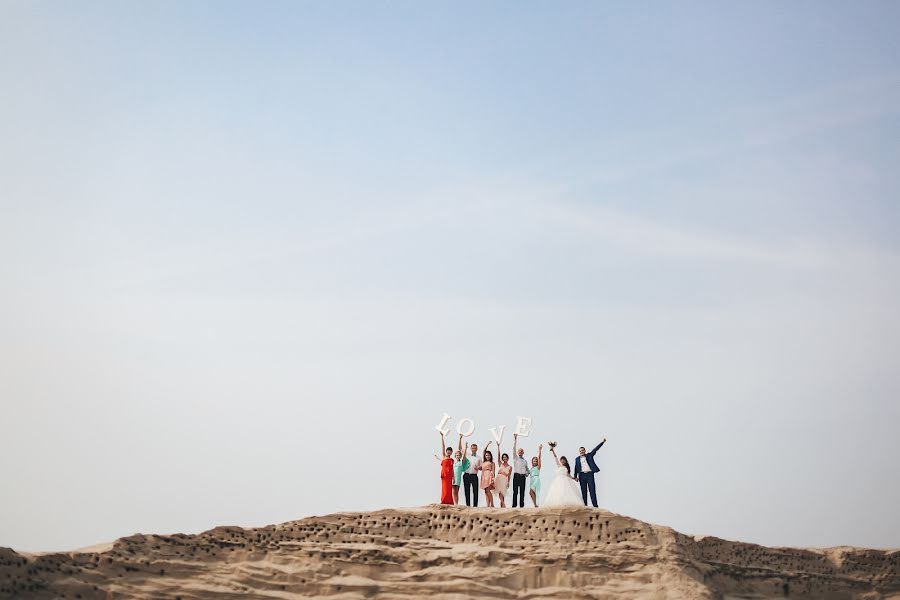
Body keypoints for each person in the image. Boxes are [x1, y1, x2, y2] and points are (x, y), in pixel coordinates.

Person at [573, 438, 607, 507]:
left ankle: (595, 506)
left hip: (590, 475)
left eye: (582, 450)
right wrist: (575, 477)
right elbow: (576, 468)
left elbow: (596, 449)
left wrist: (602, 442)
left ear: (585, 451)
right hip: (581, 476)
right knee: (584, 492)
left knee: (592, 490)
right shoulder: (577, 459)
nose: (581, 452)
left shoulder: (589, 455)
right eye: (580, 451)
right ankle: (585, 506)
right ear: (579, 452)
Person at [434, 432, 454, 505]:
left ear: (451, 452)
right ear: (446, 451)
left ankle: (449, 501)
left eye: (450, 451)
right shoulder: (444, 457)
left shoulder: (452, 460)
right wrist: (442, 437)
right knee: (444, 488)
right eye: (448, 450)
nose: (449, 452)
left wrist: (453, 477)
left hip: (449, 475)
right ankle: (444, 500)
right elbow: (443, 446)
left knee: (449, 488)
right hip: (444, 474)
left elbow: (452, 469)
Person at [462, 441, 483, 506]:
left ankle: (475, 506)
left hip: (474, 476)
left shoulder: (479, 457)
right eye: (472, 448)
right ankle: (467, 505)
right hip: (466, 475)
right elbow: (460, 449)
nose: (473, 449)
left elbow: (481, 467)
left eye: (475, 448)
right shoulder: (467, 455)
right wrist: (461, 439)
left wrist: (478, 467)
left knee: (475, 491)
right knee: (467, 491)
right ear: (471, 449)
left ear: (476, 449)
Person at [511, 433, 529, 507]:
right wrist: (515, 439)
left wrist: (527, 474)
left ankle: (522, 506)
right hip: (516, 476)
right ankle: (514, 506)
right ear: (517, 452)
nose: (520, 452)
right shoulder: (515, 458)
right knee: (515, 492)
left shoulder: (525, 461)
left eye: (521, 451)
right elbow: (513, 449)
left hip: (522, 477)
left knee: (522, 492)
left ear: (523, 452)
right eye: (519, 451)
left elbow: (527, 470)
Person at [452, 433, 470, 505]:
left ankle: (456, 503)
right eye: (457, 455)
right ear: (455, 456)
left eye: (459, 455)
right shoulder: (453, 462)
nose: (458, 456)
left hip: (458, 478)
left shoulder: (462, 462)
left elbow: (464, 456)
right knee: (453, 491)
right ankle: (454, 502)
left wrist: (465, 448)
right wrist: (460, 438)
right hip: (453, 477)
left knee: (457, 490)